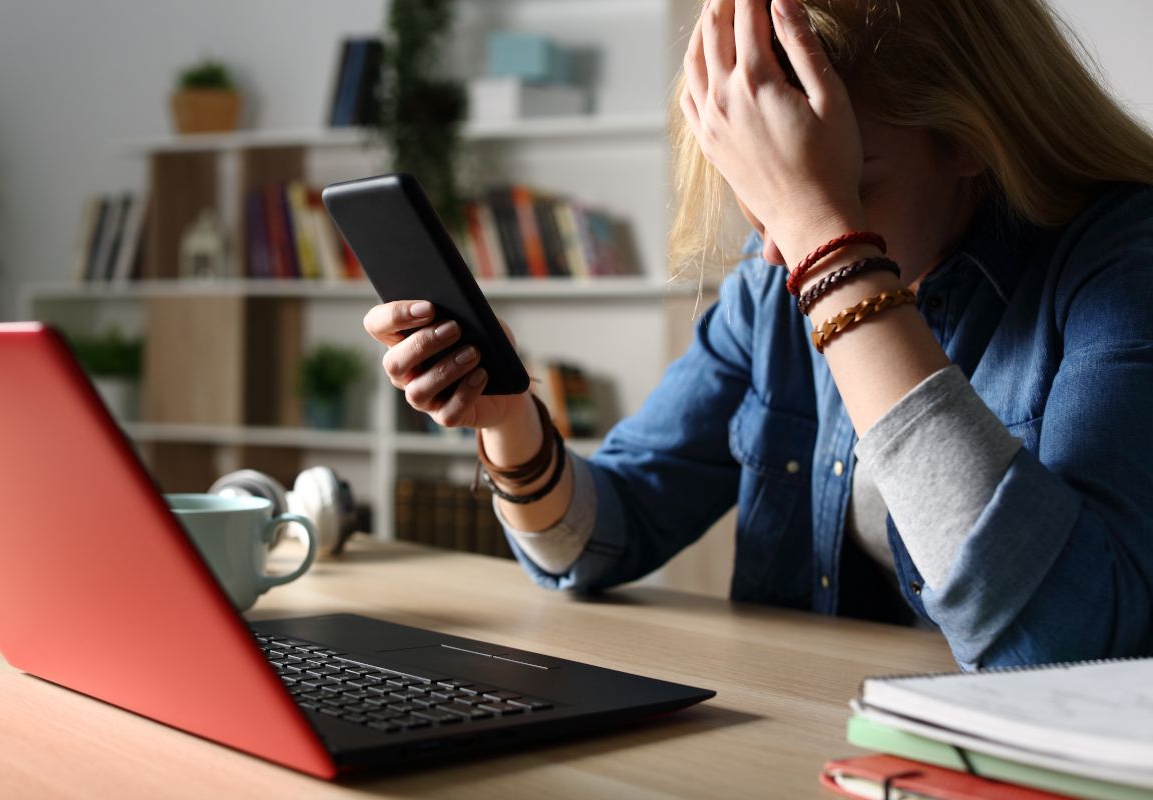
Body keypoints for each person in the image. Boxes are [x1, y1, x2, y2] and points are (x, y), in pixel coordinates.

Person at [364, 0, 1153, 669]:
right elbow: (601, 538)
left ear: (978, 134)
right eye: (763, 188)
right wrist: (505, 413)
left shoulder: (1123, 260)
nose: (779, 248)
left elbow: (1064, 641)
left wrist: (832, 250)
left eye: (840, 184)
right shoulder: (775, 276)